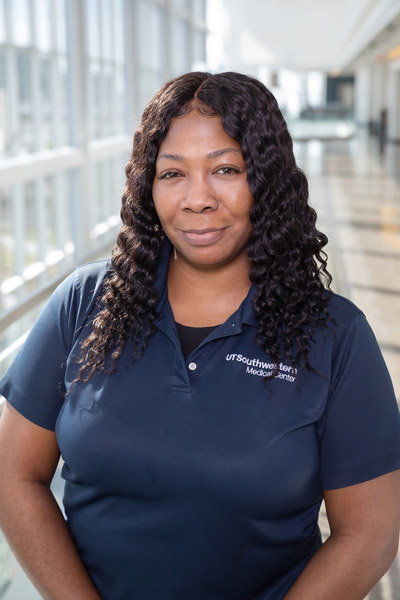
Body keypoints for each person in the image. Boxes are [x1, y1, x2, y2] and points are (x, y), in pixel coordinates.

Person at [0, 71, 399, 600]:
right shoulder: (85, 303)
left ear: (268, 180)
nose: (197, 199)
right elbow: (14, 476)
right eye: (172, 174)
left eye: (226, 169)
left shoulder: (335, 334)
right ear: (148, 184)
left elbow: (369, 533)